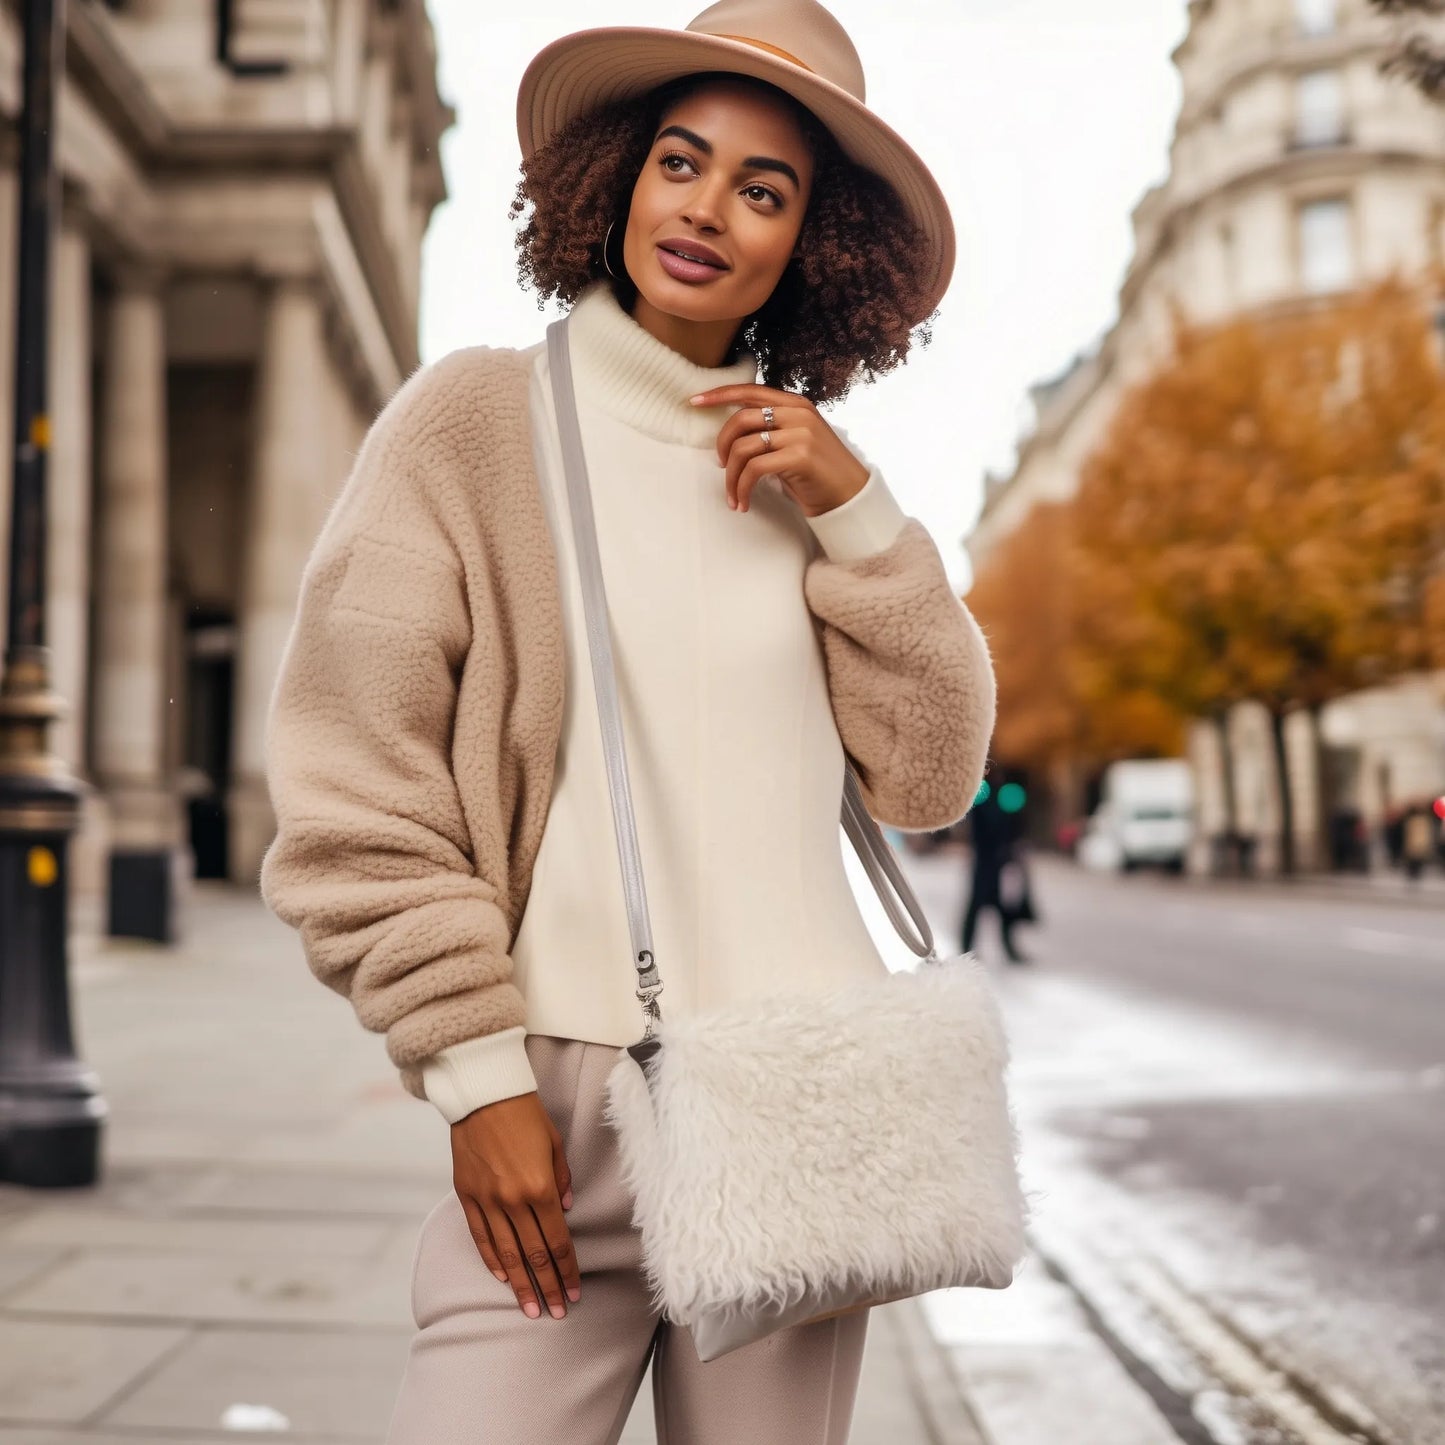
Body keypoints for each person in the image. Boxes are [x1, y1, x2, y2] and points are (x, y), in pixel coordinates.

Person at [259, 3, 997, 1440]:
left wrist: (861, 516)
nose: (709, 210)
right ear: (619, 177)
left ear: (812, 245)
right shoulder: (470, 426)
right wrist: (477, 1079)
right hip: (549, 1103)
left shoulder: (815, 486)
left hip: (799, 1101)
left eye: (763, 190)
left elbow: (926, 777)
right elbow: (356, 788)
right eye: (681, 159)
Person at [959, 768, 1030, 965]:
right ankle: (966, 950)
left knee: (1003, 909)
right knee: (976, 909)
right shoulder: (984, 796)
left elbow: (1015, 825)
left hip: (999, 863)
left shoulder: (1005, 796)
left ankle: (1002, 949)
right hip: (986, 862)